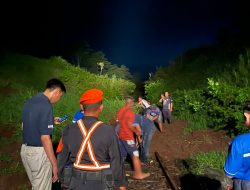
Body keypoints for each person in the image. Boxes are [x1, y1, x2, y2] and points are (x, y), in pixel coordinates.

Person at [58, 89, 127, 190]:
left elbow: (62, 157)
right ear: (101, 108)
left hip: (75, 183)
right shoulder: (108, 131)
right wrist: (120, 184)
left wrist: (62, 178)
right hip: (101, 184)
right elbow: (116, 160)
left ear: (81, 107)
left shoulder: (69, 129)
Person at [20, 78, 66, 190]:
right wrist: (55, 164)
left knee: (36, 185)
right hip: (39, 154)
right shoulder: (46, 105)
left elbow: (25, 125)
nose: (58, 99)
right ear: (57, 92)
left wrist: (49, 121)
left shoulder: (30, 101)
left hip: (25, 151)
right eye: (60, 96)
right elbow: (45, 139)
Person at [117, 96, 150, 180]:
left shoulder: (120, 110)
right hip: (128, 137)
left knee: (121, 156)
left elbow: (119, 122)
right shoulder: (130, 112)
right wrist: (136, 131)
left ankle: (115, 172)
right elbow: (129, 125)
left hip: (121, 136)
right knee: (135, 155)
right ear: (131, 103)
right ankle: (138, 174)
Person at [224, 102, 250, 190]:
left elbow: (229, 173)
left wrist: (232, 150)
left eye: (245, 117)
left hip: (244, 183)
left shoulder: (240, 142)